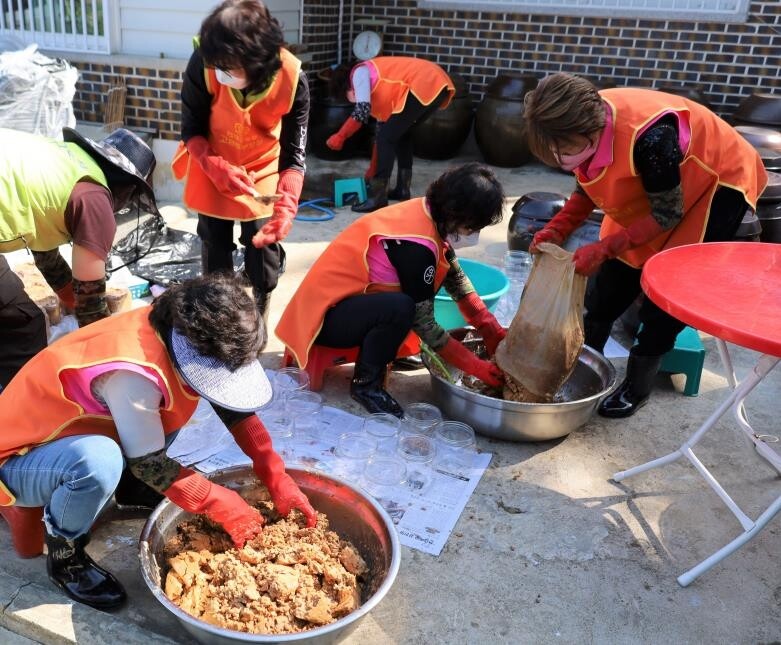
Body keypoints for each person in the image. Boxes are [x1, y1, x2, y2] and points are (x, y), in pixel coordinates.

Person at [0, 273, 316, 610]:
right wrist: (216, 501)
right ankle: (66, 558)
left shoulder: (178, 328)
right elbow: (149, 463)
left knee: (162, 416)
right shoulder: (134, 374)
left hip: (76, 432)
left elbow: (231, 407)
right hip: (19, 456)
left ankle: (131, 488)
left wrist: (274, 473)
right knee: (99, 461)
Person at [524, 73, 767, 418]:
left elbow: (667, 213)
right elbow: (589, 183)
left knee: (669, 288)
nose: (560, 159)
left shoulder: (652, 139)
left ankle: (637, 387)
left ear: (590, 133)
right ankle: (585, 359)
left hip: (716, 179)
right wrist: (557, 228)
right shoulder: (575, 121)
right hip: (661, 181)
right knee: (609, 284)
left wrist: (604, 248)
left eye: (564, 152)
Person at [276, 163, 506, 417]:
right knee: (402, 308)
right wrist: (477, 367)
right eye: (472, 227)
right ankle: (366, 386)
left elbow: (454, 275)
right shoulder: (416, 245)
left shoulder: (429, 213)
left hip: (348, 306)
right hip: (321, 321)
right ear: (456, 213)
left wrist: (489, 327)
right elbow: (425, 324)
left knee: (409, 300)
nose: (474, 234)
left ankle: (388, 353)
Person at [173, 0, 309, 320]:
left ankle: (259, 317)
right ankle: (219, 316)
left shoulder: (292, 79)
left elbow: (294, 154)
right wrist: (213, 165)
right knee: (214, 242)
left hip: (263, 163)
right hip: (212, 157)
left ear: (257, 62)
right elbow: (191, 129)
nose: (220, 72)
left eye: (229, 67)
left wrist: (287, 205)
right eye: (217, 64)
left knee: (261, 244)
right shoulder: (205, 61)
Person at [0, 126, 160, 389]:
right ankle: (19, 407)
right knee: (23, 325)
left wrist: (71, 302)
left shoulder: (70, 164)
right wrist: (111, 362)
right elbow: (90, 303)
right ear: (128, 187)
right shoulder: (94, 199)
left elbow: (48, 258)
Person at [326, 56, 455, 213]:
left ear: (345, 87)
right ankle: (403, 189)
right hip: (437, 84)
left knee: (387, 138)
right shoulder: (381, 97)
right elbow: (381, 137)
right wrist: (372, 170)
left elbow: (362, 111)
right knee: (401, 134)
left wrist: (340, 136)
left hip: (425, 80)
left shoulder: (359, 72)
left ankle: (378, 197)